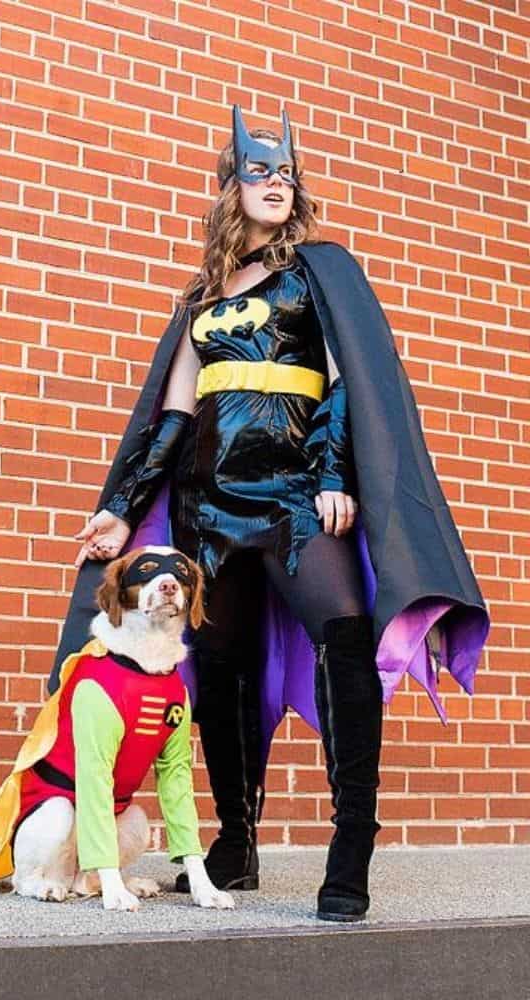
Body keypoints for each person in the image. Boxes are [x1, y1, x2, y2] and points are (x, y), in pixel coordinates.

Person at [50, 105, 490, 922]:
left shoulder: (316, 272)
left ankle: (352, 840)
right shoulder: (202, 298)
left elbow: (346, 376)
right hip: (209, 507)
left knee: (346, 637)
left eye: (286, 172)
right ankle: (236, 843)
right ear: (229, 190)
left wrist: (331, 474)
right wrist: (122, 509)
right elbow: (172, 418)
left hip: (294, 500)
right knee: (219, 671)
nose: (276, 182)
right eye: (259, 172)